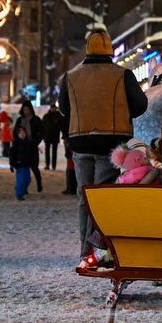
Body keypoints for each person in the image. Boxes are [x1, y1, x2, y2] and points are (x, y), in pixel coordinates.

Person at [58, 29, 147, 261]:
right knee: (102, 198)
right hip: (112, 143)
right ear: (110, 50)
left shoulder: (70, 76)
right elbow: (140, 106)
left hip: (80, 143)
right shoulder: (123, 75)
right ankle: (99, 249)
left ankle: (85, 251)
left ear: (87, 49)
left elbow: (64, 108)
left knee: (84, 197)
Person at [14, 101, 43, 193]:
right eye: (24, 109)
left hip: (32, 146)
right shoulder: (19, 120)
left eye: (27, 109)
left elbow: (42, 132)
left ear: (31, 109)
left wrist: (36, 142)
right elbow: (15, 132)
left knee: (34, 167)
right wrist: (17, 142)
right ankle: (23, 187)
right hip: (22, 147)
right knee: (23, 168)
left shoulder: (36, 119)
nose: (26, 111)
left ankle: (39, 183)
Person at [10, 111, 39, 200]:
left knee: (27, 179)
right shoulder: (16, 143)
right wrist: (12, 164)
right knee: (21, 180)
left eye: (24, 132)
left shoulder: (28, 143)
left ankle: (21, 190)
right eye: (20, 132)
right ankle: (19, 194)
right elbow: (12, 154)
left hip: (27, 164)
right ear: (17, 134)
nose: (22, 134)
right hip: (19, 164)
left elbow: (31, 153)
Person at [42, 101, 65, 171]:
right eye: (53, 108)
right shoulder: (46, 116)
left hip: (55, 136)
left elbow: (62, 126)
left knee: (54, 152)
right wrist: (43, 135)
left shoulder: (59, 116)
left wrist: (64, 134)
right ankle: (47, 165)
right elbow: (43, 126)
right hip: (47, 136)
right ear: (51, 108)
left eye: (55, 108)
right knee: (47, 152)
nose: (54, 109)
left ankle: (53, 166)